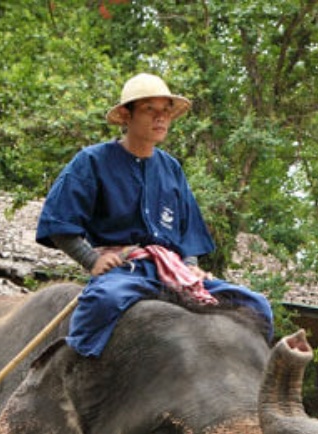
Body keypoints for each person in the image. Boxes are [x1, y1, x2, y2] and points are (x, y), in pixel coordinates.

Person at [35, 71, 275, 357]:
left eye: (166, 111)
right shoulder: (91, 161)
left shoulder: (171, 168)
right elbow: (59, 220)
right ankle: (69, 375)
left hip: (172, 271)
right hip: (127, 270)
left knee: (255, 304)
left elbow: (188, 231)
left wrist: (190, 264)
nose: (160, 118)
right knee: (103, 300)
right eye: (150, 110)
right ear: (126, 115)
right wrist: (91, 259)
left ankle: (266, 387)